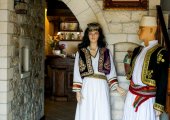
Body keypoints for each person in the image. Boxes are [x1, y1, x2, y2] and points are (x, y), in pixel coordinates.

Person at [72, 22, 126, 120]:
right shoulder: (81, 52)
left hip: (102, 86)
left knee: (101, 111)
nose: (93, 36)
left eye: (95, 33)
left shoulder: (105, 52)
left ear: (99, 35)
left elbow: (111, 71)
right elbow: (77, 72)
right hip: (87, 86)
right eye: (90, 33)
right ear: (87, 35)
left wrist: (117, 87)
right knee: (86, 111)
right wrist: (77, 91)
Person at [122, 16, 169, 120]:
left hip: (147, 100)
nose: (138, 31)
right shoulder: (137, 50)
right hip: (131, 95)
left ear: (152, 30)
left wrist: (159, 104)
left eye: (142, 28)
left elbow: (162, 80)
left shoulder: (161, 52)